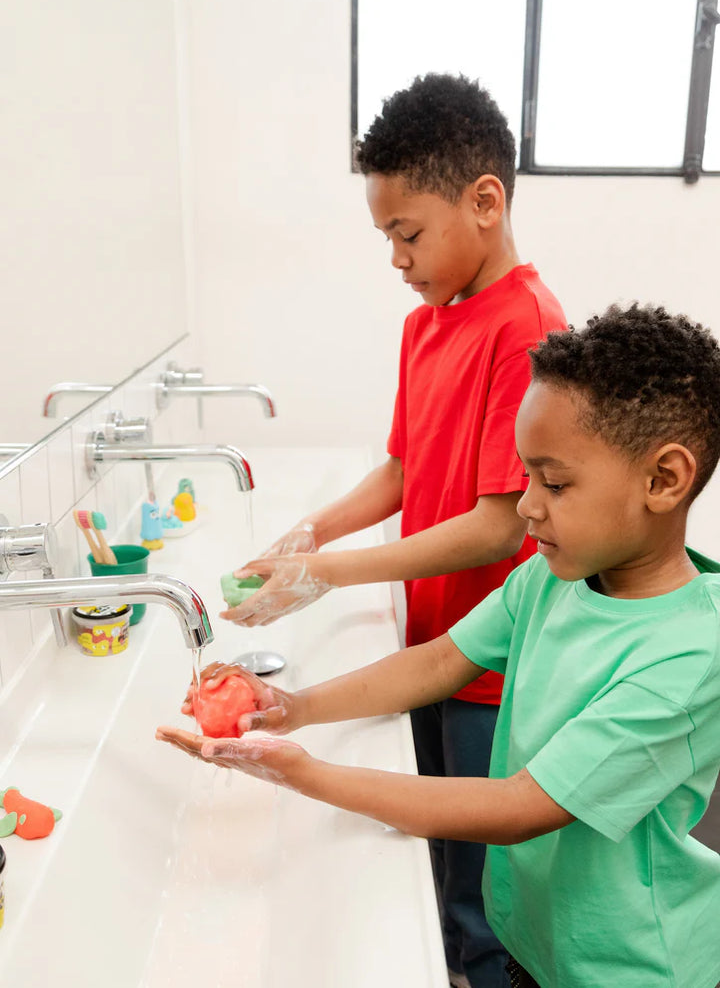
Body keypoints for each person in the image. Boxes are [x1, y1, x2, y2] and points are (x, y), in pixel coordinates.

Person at [158, 304, 720, 988]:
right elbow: (439, 661)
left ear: (663, 481)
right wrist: (292, 707)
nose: (526, 506)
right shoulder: (548, 578)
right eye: (527, 477)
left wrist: (303, 774)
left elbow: (519, 808)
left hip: (628, 968)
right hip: (542, 943)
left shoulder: (690, 659)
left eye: (556, 483)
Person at [221, 73, 566, 988]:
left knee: (477, 892)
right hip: (430, 639)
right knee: (436, 861)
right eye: (387, 237)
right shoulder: (429, 327)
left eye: (406, 233)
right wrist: (307, 537)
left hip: (490, 670)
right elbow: (406, 471)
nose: (396, 258)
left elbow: (499, 529)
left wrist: (331, 573)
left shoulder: (525, 328)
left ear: (484, 201)